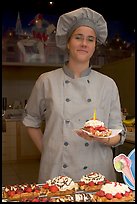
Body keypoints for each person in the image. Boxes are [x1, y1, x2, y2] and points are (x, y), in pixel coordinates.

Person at [22, 7, 126, 183]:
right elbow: (31, 121)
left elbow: (118, 132)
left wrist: (106, 138)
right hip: (57, 173)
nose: (84, 43)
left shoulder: (108, 84)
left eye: (90, 39)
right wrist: (49, 152)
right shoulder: (46, 81)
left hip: (98, 173)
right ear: (68, 42)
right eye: (78, 37)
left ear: (94, 45)